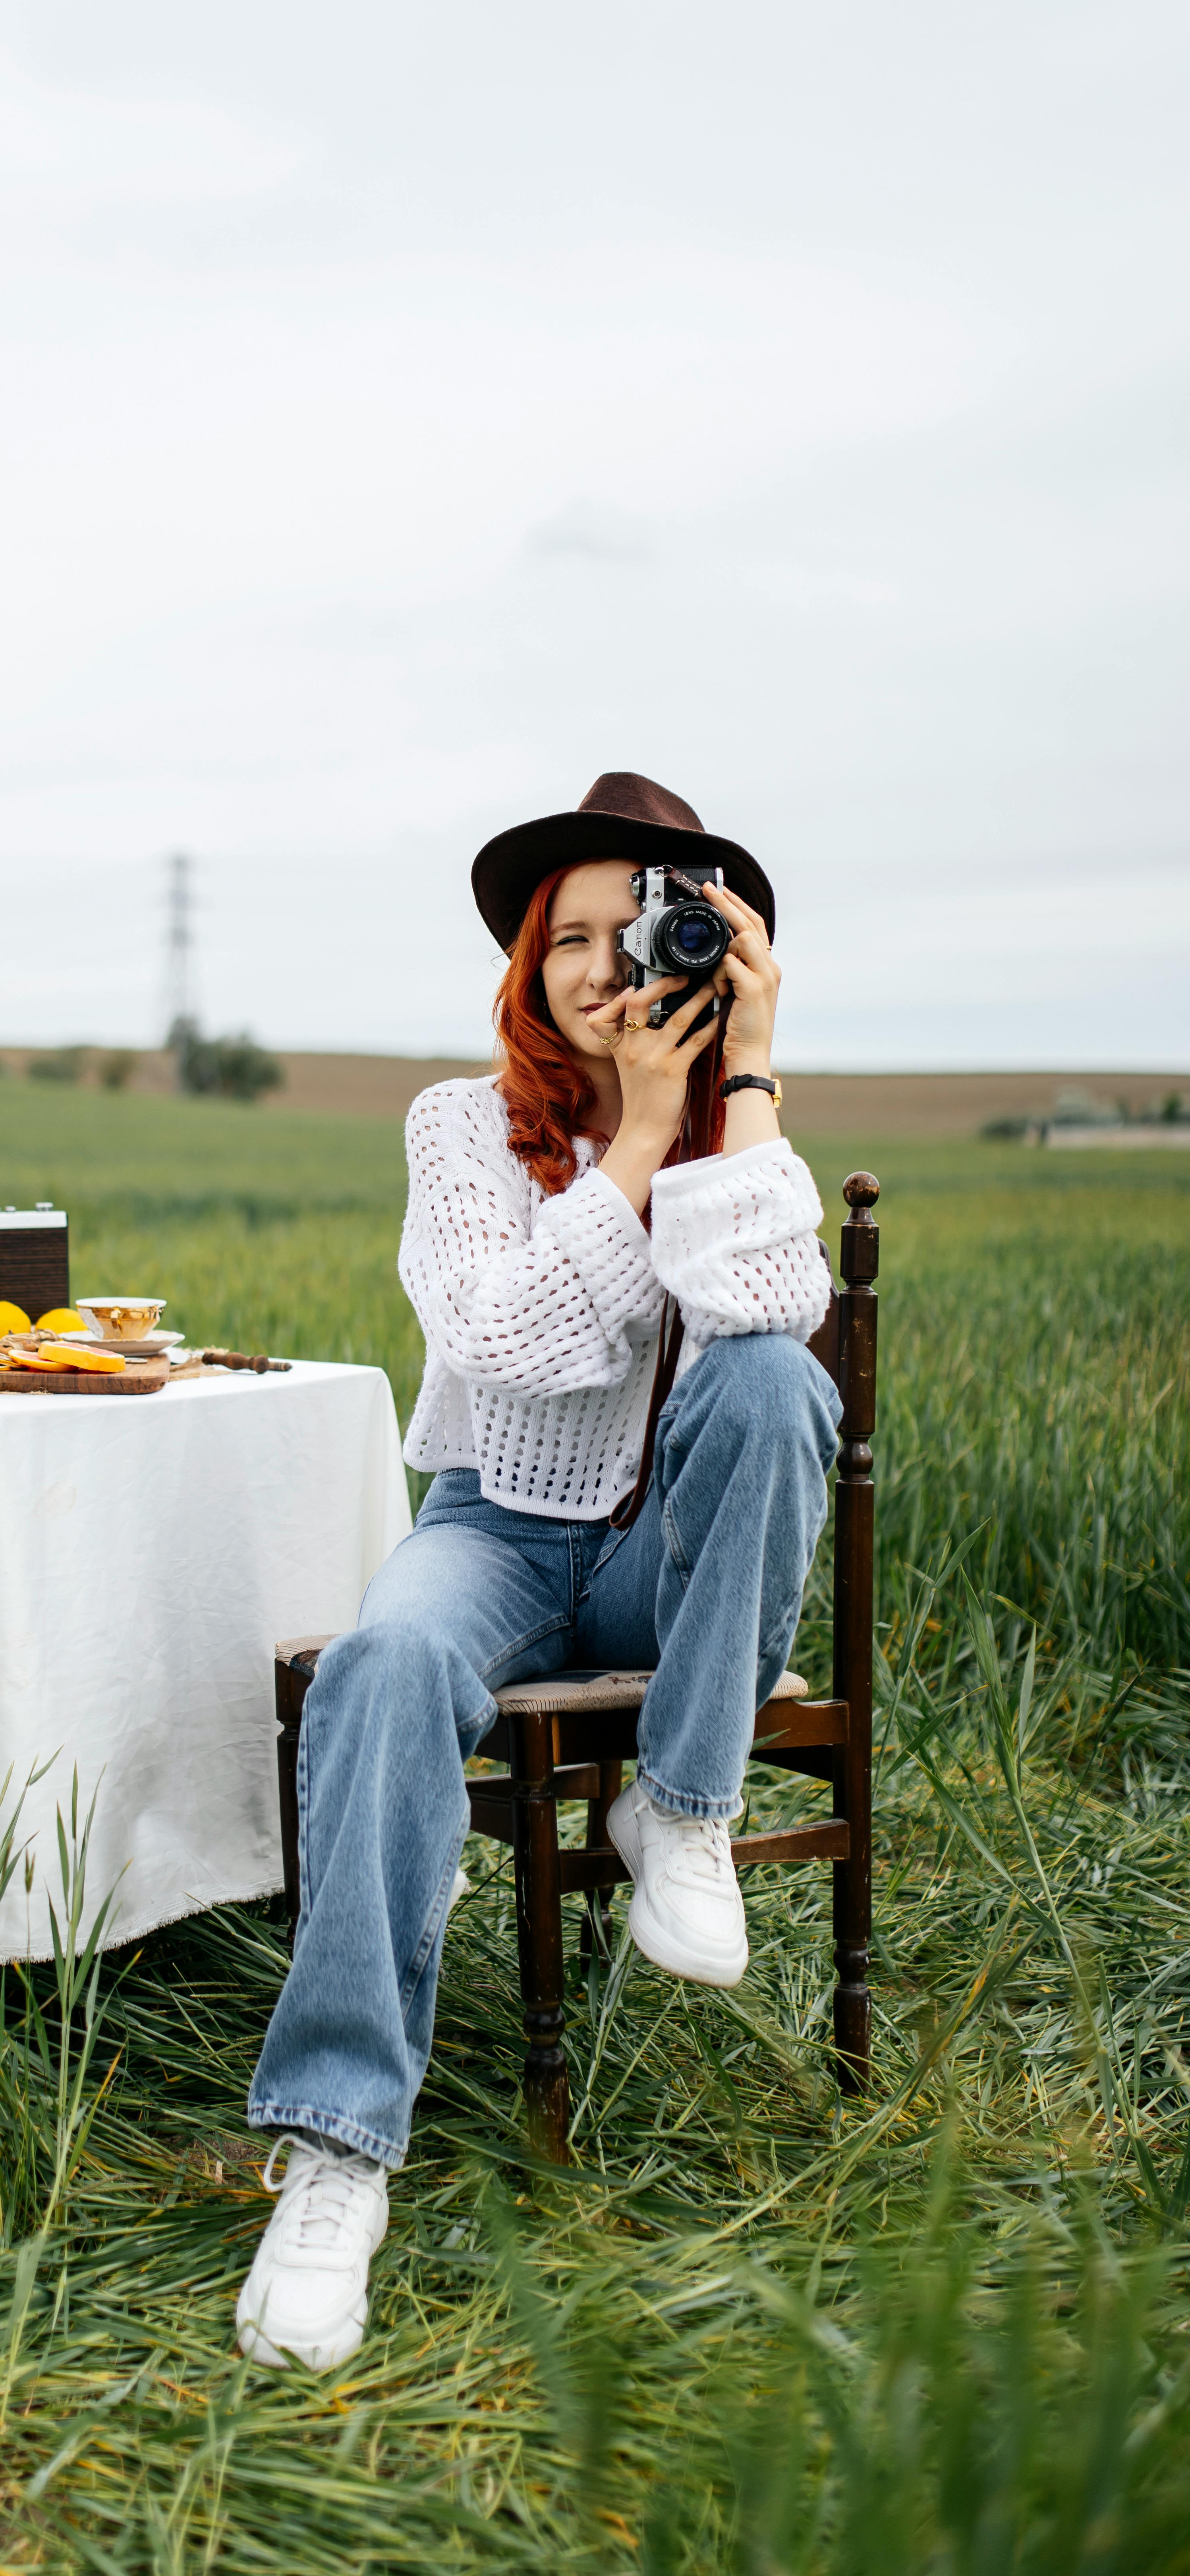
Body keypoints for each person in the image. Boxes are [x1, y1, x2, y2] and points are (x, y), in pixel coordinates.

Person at [233, 771, 840, 2373]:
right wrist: (634, 1141)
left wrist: (746, 1078)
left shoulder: (742, 1126)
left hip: (663, 1566)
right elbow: (510, 1349)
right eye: (560, 935)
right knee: (381, 1665)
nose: (595, 964)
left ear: (703, 944)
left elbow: (767, 1332)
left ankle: (684, 1805)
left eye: (633, 926)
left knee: (778, 1382)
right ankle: (339, 2153)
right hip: (495, 1526)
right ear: (519, 962)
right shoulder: (461, 1127)